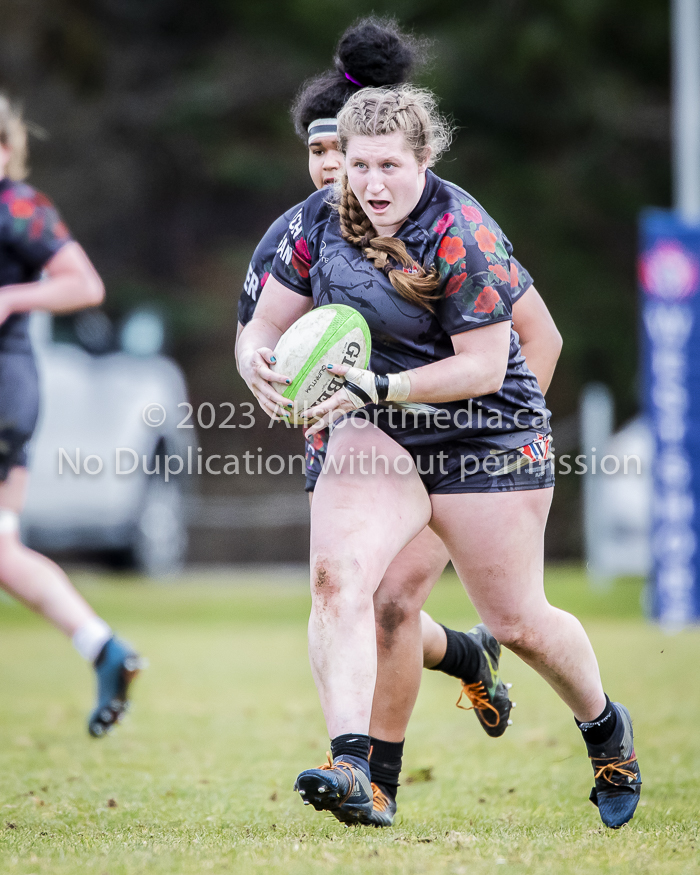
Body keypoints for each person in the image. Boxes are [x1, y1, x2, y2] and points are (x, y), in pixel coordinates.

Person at [237, 84, 641, 831]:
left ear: (423, 158)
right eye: (358, 164)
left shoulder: (462, 228)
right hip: (379, 427)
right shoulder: (315, 223)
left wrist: (383, 383)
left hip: (484, 430)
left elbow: (488, 364)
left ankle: (607, 734)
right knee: (341, 581)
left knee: (517, 621)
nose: (371, 183)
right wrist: (256, 361)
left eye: (389, 164)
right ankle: (354, 766)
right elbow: (263, 322)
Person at [0, 93, 143, 737]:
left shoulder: (16, 205)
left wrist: (10, 297)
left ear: (6, 149)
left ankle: (102, 645)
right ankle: (102, 646)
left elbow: (84, 283)